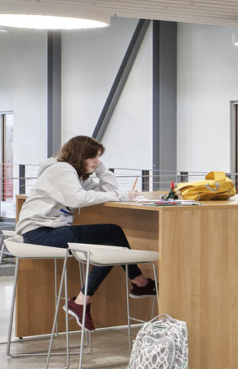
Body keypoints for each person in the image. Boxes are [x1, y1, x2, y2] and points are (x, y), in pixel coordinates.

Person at [17, 136, 152, 331]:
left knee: (112, 247)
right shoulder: (62, 170)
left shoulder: (76, 175)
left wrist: (101, 168)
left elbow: (108, 189)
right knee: (113, 231)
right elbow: (78, 198)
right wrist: (120, 195)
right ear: (81, 156)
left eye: (99, 158)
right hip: (39, 233)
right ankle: (139, 282)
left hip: (51, 230)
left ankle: (81, 301)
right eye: (93, 157)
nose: (97, 162)